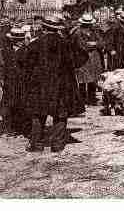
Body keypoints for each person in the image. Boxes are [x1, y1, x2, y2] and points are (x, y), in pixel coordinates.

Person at [24, 16, 88, 152]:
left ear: (44, 28)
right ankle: (57, 145)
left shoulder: (35, 44)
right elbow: (82, 57)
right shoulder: (66, 44)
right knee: (61, 113)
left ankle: (36, 145)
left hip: (40, 84)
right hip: (62, 84)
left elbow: (25, 63)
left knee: (38, 113)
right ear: (58, 29)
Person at [0, 27, 29, 136]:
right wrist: (2, 79)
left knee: (21, 103)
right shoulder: (6, 51)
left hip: (22, 81)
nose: (20, 42)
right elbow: (2, 66)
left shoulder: (26, 50)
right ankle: (10, 127)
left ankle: (21, 126)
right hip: (10, 81)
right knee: (9, 103)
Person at [71, 13, 105, 105]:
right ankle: (82, 99)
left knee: (93, 79)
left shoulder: (94, 32)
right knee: (82, 80)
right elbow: (81, 46)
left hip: (94, 59)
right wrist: (94, 44)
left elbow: (101, 43)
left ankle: (91, 98)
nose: (89, 25)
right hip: (82, 59)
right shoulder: (77, 32)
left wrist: (93, 44)